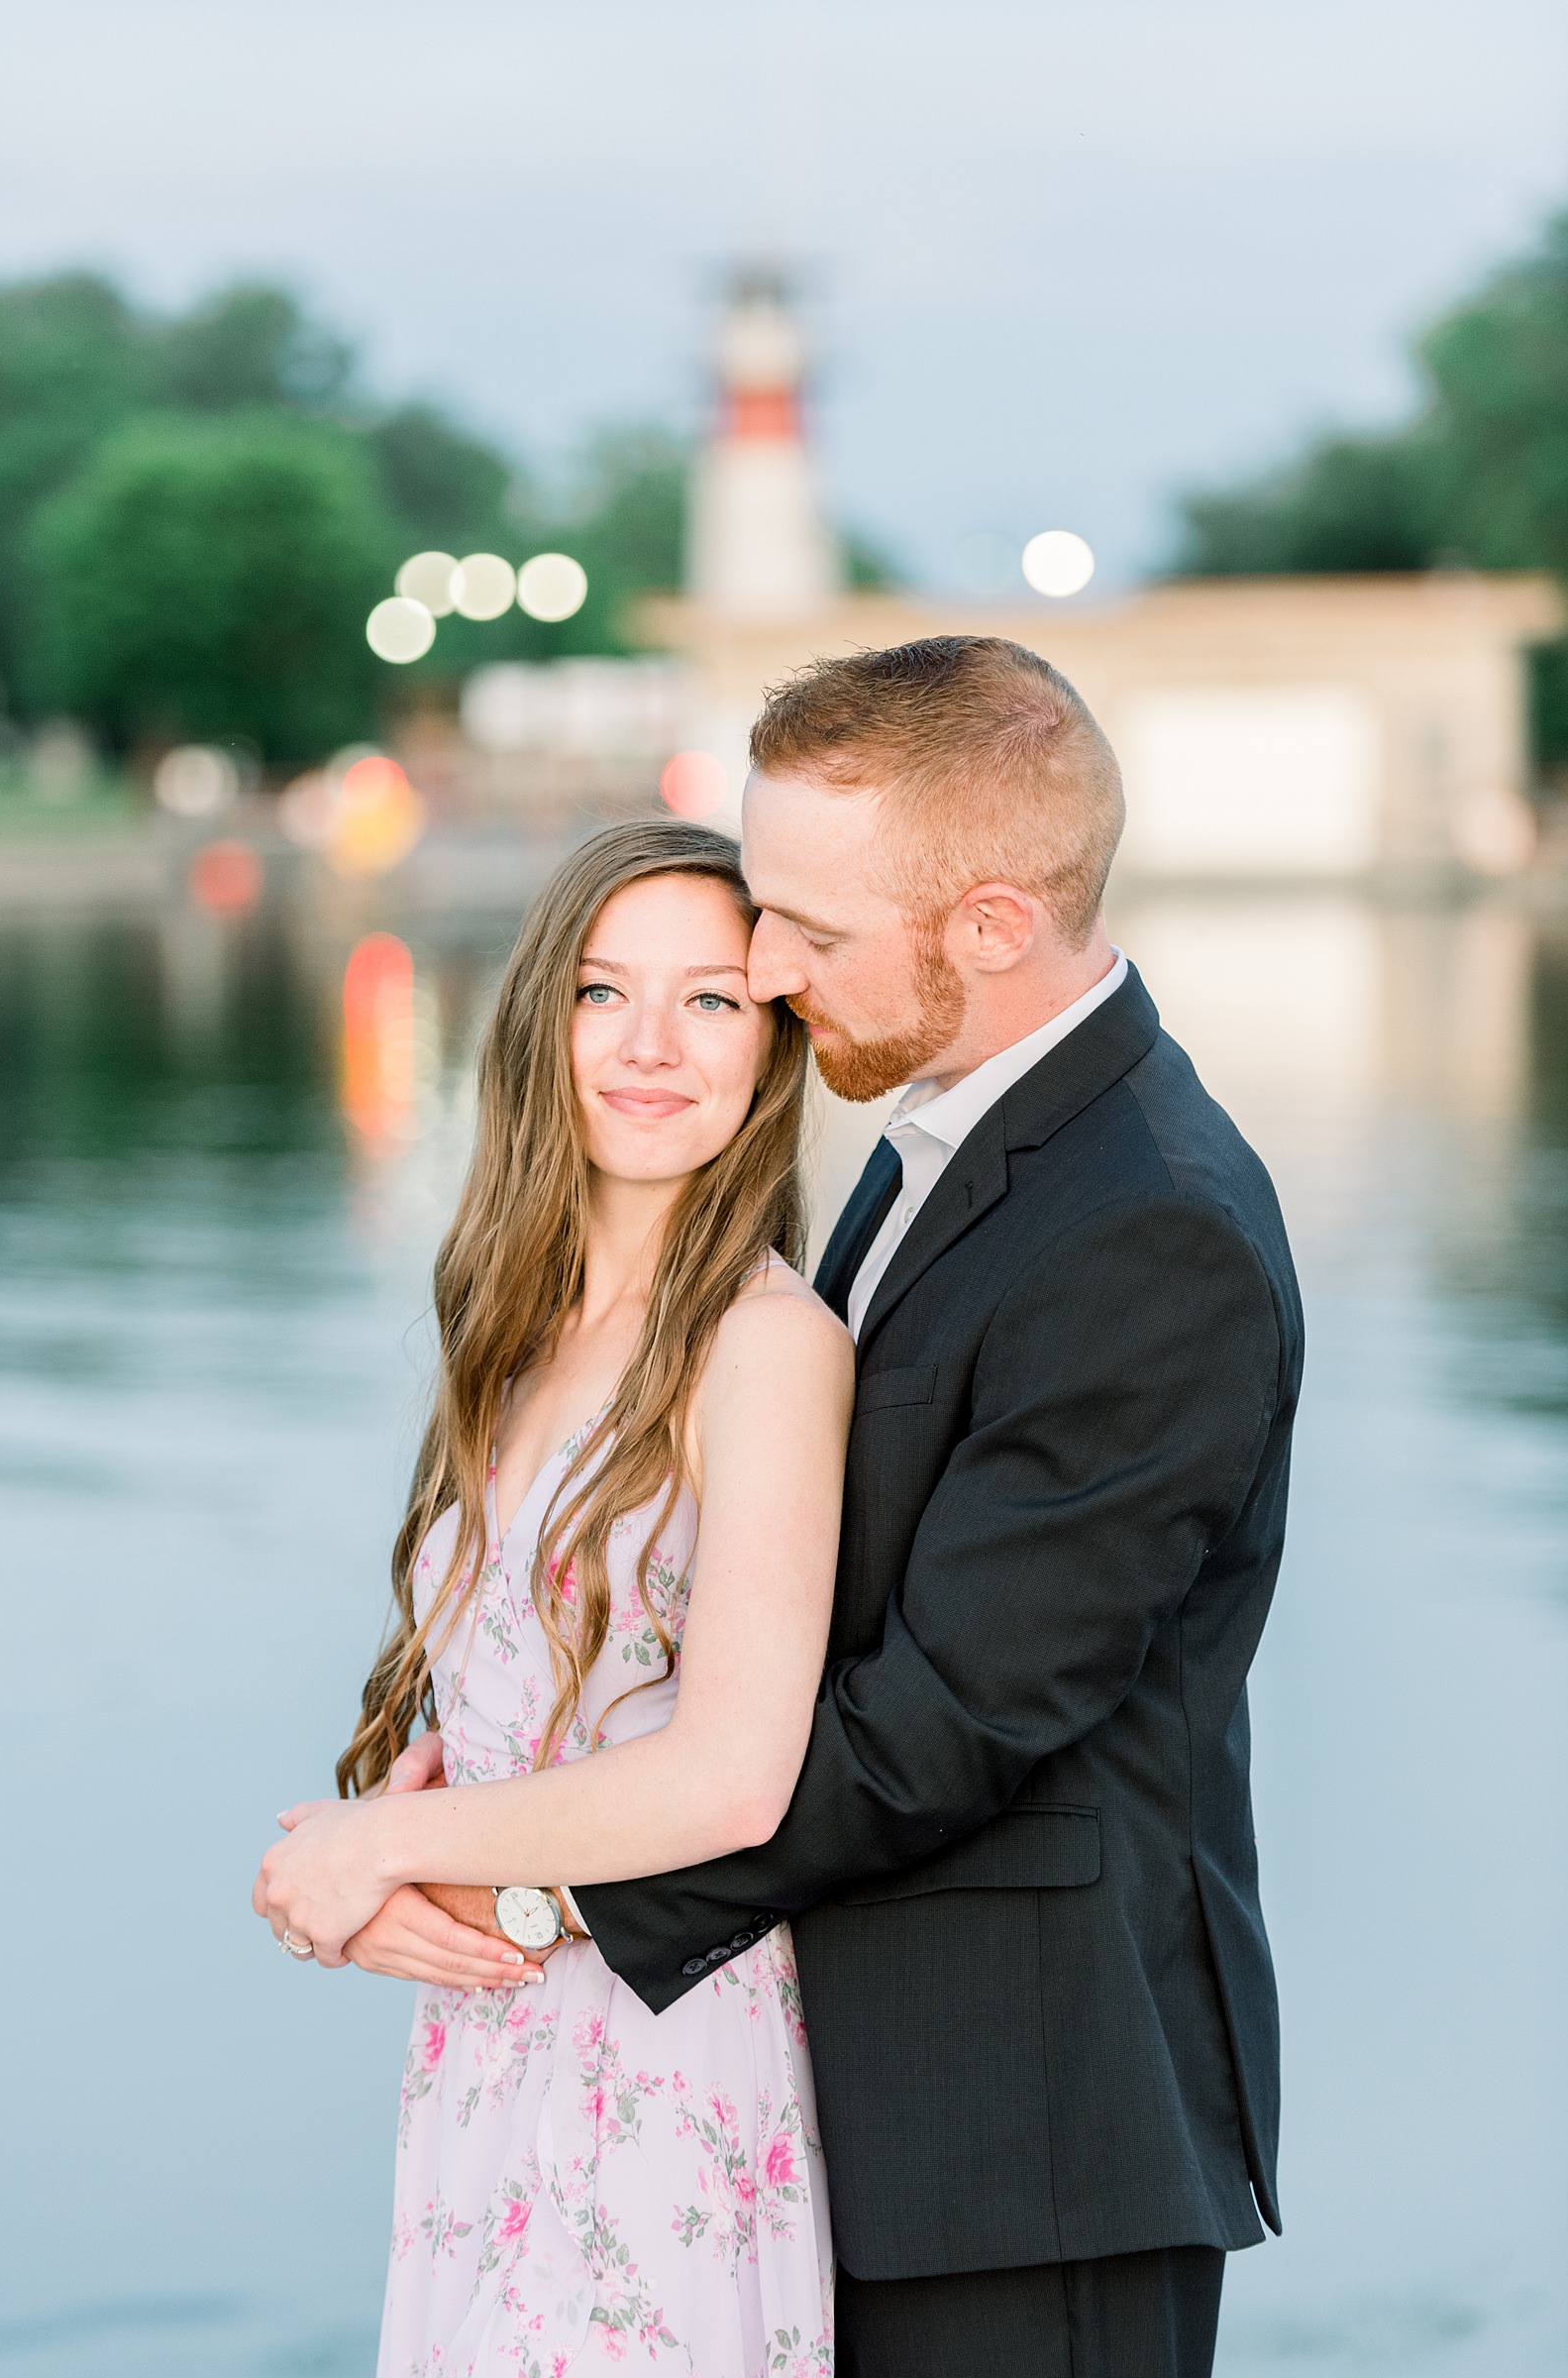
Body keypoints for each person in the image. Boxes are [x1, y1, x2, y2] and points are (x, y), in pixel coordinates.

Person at [261, 635, 1304, 2378]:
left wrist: (501, 1891)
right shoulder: (921, 1144)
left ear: (984, 925)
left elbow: (945, 1723)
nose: (762, 965)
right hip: (804, 2080)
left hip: (1022, 2128)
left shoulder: (1152, 1223)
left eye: (799, 933)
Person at [258, 818, 852, 2373]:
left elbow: (733, 1777)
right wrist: (389, 1864)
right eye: (604, 992)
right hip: (488, 2036)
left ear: (775, 1042)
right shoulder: (512, 1323)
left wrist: (380, 1847)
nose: (652, 1046)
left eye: (713, 1002)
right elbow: (509, 1694)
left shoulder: (764, 1343)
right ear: (541, 1021)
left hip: (659, 2052)